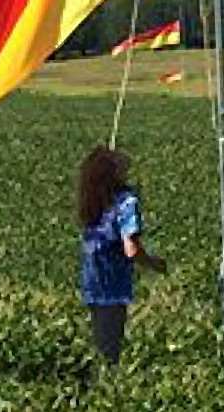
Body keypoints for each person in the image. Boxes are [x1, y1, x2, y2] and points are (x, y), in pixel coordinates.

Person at [76, 145, 167, 365]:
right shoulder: (126, 202)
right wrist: (154, 264)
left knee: (99, 341)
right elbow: (131, 249)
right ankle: (103, 390)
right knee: (109, 351)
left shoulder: (93, 199)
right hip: (113, 285)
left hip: (92, 281)